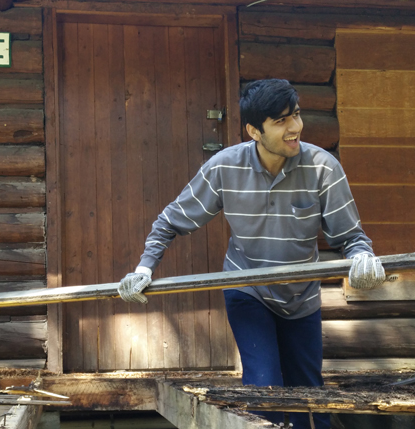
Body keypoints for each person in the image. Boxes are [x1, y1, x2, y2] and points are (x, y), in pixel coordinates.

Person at [117, 79, 386, 428]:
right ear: (254, 131)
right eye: (281, 121)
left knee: (310, 399)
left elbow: (351, 237)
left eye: (296, 115)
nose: (295, 127)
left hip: (302, 296)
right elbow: (169, 222)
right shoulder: (224, 167)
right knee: (263, 390)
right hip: (248, 288)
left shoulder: (323, 167)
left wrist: (363, 257)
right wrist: (144, 268)